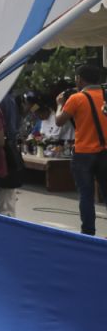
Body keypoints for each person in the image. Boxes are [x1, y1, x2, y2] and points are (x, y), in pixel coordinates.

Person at [56, 64, 107, 236]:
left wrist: (59, 104)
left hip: (84, 152)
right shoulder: (105, 95)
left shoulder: (76, 98)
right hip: (105, 151)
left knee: (86, 195)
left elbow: (59, 121)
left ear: (80, 79)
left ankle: (88, 233)